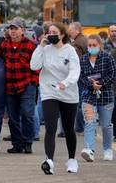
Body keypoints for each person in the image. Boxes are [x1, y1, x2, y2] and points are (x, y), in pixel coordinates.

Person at [31, 22, 80, 174]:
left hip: (68, 93)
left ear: (62, 35)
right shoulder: (44, 49)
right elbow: (34, 65)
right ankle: (49, 161)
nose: (50, 34)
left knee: (68, 128)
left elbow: (74, 71)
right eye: (49, 31)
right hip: (49, 92)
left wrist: (66, 83)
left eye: (54, 32)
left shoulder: (70, 50)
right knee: (50, 127)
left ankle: (72, 160)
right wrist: (40, 46)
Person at [1, 19, 38, 154]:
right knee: (12, 116)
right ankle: (17, 144)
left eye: (16, 28)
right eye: (11, 28)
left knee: (27, 114)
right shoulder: (4, 45)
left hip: (27, 84)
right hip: (10, 85)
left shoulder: (30, 45)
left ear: (22, 30)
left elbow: (37, 64)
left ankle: (27, 142)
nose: (13, 31)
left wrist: (34, 81)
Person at [79, 34, 116, 162]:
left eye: (94, 45)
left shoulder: (107, 57)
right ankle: (90, 149)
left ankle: (107, 149)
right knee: (90, 122)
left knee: (106, 125)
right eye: (89, 45)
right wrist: (91, 85)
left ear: (100, 45)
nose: (92, 47)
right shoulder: (83, 59)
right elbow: (81, 77)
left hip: (105, 95)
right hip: (89, 95)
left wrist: (101, 84)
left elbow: (113, 74)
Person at [69, 22, 88, 136]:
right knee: (85, 101)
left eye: (71, 30)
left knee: (80, 102)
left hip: (80, 76)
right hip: (86, 75)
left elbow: (76, 61)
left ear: (76, 30)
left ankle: (80, 128)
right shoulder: (84, 40)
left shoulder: (77, 43)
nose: (69, 32)